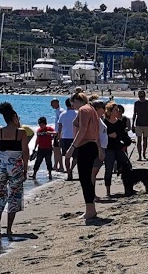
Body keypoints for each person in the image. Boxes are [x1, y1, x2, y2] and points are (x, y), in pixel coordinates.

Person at [0, 102, 30, 238]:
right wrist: (25, 169)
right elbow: (25, 152)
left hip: (1, 165)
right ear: (15, 117)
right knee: (14, 196)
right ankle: (9, 229)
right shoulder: (21, 132)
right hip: (15, 166)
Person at [70, 92, 103, 221]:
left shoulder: (83, 110)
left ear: (77, 100)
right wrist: (99, 148)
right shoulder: (92, 109)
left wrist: (72, 147)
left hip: (85, 146)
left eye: (73, 103)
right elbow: (97, 130)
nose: (73, 106)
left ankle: (90, 210)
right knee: (87, 178)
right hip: (92, 145)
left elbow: (83, 129)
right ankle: (90, 208)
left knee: (85, 179)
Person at [102, 101, 134, 194]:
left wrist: (128, 141)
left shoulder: (120, 122)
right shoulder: (104, 122)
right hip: (108, 148)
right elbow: (101, 135)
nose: (118, 111)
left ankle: (128, 187)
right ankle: (108, 191)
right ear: (110, 111)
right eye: (116, 110)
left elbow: (124, 135)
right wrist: (109, 135)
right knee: (109, 169)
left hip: (118, 148)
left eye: (118, 109)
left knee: (128, 165)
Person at [56, 97, 78, 178]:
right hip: (75, 137)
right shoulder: (77, 113)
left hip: (65, 137)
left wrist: (58, 137)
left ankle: (68, 170)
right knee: (76, 156)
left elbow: (60, 127)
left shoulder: (63, 114)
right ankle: (71, 169)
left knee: (66, 156)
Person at [31, 117, 54, 181]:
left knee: (48, 162)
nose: (41, 126)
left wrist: (50, 133)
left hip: (48, 149)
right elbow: (37, 139)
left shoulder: (49, 129)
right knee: (37, 162)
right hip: (40, 149)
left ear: (45, 124)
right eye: (40, 124)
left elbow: (56, 133)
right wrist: (34, 147)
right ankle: (34, 174)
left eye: (42, 124)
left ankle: (50, 174)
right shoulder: (39, 130)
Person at [132, 90, 148, 161]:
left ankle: (144, 153)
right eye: (140, 96)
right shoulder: (136, 103)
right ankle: (140, 155)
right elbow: (134, 114)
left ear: (145, 96)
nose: (141, 98)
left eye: (142, 96)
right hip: (138, 123)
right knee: (139, 140)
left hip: (146, 123)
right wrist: (132, 124)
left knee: (145, 139)